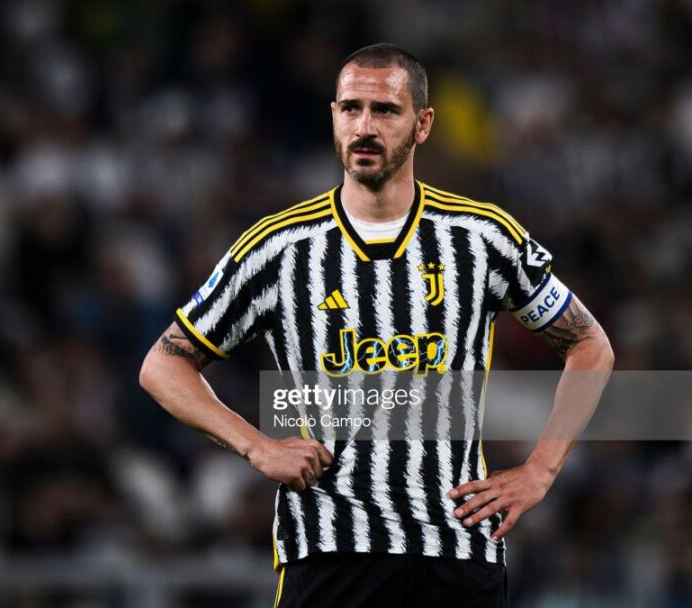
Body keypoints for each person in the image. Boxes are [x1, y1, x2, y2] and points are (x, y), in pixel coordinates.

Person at [138, 43, 614, 607]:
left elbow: (590, 345)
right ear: (333, 116)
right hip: (330, 553)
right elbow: (163, 365)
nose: (364, 126)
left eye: (385, 110)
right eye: (351, 108)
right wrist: (256, 446)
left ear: (423, 124)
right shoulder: (278, 249)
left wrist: (540, 471)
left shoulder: (483, 238)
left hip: (458, 553)